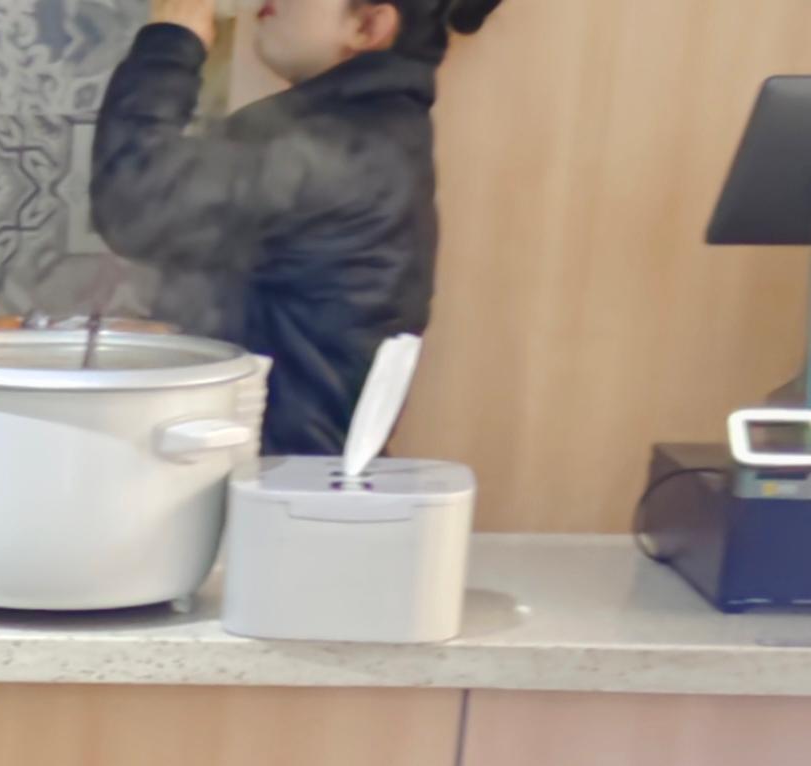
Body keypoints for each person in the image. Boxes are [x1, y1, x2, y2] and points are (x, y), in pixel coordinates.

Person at [92, 0, 512, 456]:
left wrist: (173, 38)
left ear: (368, 26)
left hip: (274, 480)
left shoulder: (348, 146)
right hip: (275, 470)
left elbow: (135, 200)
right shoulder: (362, 134)